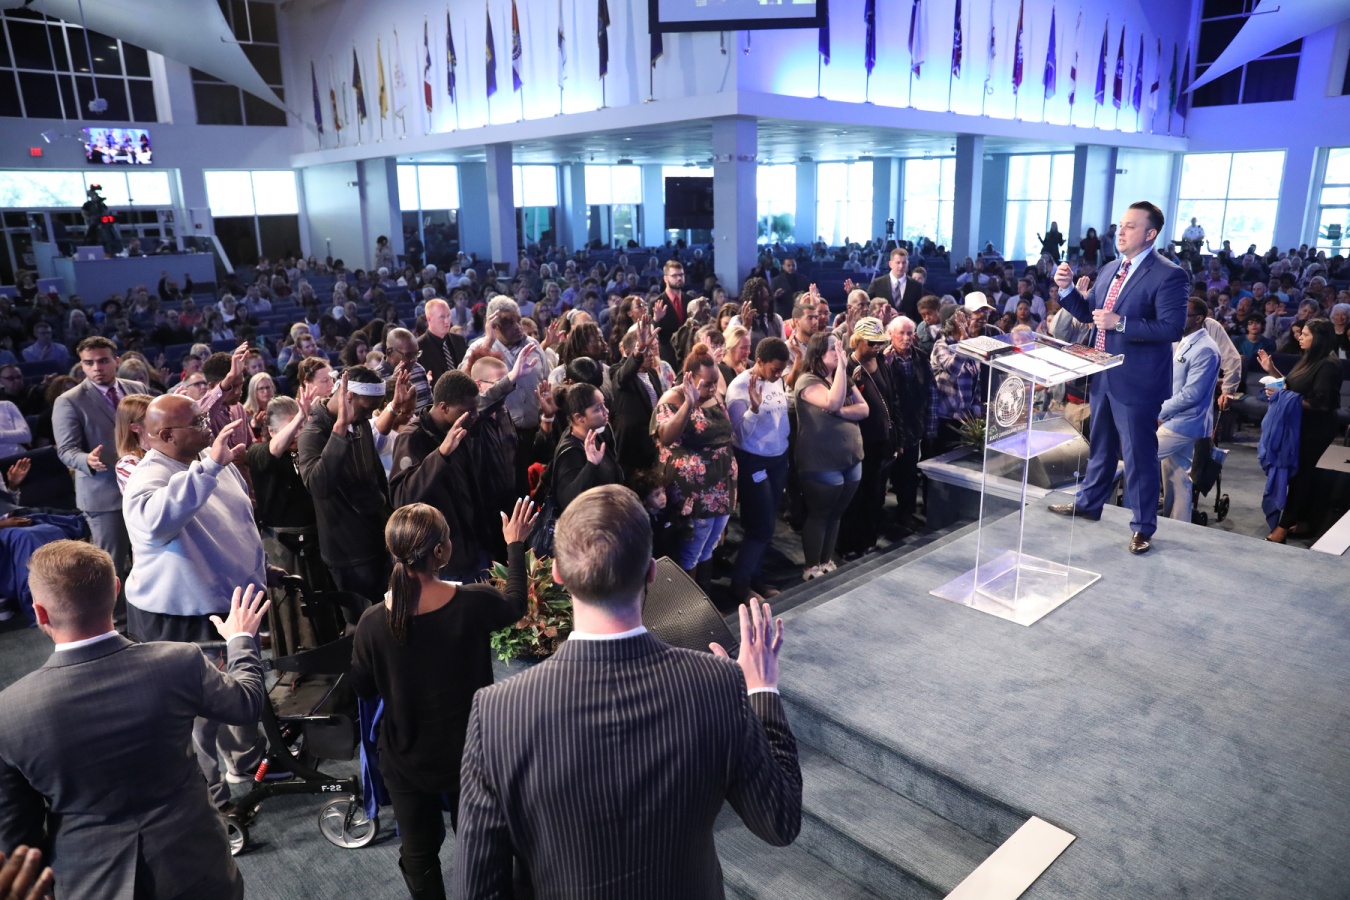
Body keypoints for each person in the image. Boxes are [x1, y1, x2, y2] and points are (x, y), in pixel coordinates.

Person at [453, 485, 802, 899]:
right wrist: (761, 689)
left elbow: (476, 890)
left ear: (558, 574)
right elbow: (779, 823)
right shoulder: (719, 682)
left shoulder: (496, 712)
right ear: (652, 571)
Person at [0, 542, 268, 900]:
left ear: (39, 613)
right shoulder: (179, 662)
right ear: (116, 591)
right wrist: (240, 640)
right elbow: (247, 704)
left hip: (89, 883)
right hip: (199, 865)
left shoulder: (9, 712)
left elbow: (16, 837)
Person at [352, 501, 533, 900]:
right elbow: (516, 604)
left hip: (406, 758)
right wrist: (515, 544)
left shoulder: (372, 622)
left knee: (419, 854)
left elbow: (363, 688)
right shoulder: (475, 602)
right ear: (440, 552)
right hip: (470, 757)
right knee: (482, 850)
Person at [122, 396, 271, 802]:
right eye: (197, 422)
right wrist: (210, 467)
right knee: (201, 716)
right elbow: (155, 523)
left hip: (232, 602)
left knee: (244, 689)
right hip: (183, 617)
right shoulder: (146, 477)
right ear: (167, 435)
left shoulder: (210, 460)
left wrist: (262, 568)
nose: (207, 426)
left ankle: (244, 764)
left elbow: (240, 523)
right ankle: (211, 798)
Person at [1050, 201, 1188, 554]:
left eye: (1130, 226)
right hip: (1103, 375)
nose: (1121, 232)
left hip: (1138, 382)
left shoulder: (1168, 274)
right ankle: (1089, 504)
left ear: (1150, 234)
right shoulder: (1111, 267)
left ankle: (1143, 526)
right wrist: (1066, 290)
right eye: (1121, 225)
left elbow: (1171, 328)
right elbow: (1091, 314)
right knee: (1100, 446)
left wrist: (1121, 323)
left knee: (1138, 456)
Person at [298, 367, 407, 615]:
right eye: (366, 408)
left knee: (392, 614)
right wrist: (340, 429)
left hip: (377, 538)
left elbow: (376, 476)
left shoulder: (360, 423)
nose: (369, 415)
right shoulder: (313, 433)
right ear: (348, 396)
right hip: (348, 551)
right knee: (363, 621)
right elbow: (318, 486)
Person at [52, 337, 148, 601]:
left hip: (144, 487)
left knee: (148, 557)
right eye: (89, 362)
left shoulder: (137, 388)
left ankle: (146, 615)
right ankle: (112, 619)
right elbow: (66, 450)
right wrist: (87, 460)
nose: (97, 367)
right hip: (103, 494)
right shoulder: (69, 401)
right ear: (81, 365)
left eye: (103, 360)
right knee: (111, 565)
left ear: (116, 361)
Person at [654, 347, 738, 587]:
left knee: (709, 547)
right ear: (689, 377)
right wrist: (689, 403)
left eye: (714, 382)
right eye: (707, 383)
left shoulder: (714, 396)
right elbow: (666, 437)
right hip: (694, 492)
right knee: (691, 551)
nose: (712, 388)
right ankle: (687, 604)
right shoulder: (672, 400)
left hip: (721, 487)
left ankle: (705, 599)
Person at [1259, 319, 1344, 543]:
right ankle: (1300, 521)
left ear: (1319, 338)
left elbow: (1321, 403)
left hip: (1316, 428)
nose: (1300, 337)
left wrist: (1281, 396)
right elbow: (1291, 386)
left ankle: (1283, 528)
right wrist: (1272, 372)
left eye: (1305, 334)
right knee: (1298, 474)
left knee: (1300, 475)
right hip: (1297, 425)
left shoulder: (1329, 364)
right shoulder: (1309, 358)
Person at [793, 332, 868, 580]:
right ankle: (811, 566)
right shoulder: (807, 380)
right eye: (833, 349)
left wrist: (841, 412)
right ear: (818, 354)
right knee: (820, 514)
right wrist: (842, 371)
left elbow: (863, 409)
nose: (839, 353)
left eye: (839, 348)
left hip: (850, 459)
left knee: (836, 514)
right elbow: (832, 402)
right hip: (821, 462)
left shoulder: (841, 377)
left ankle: (826, 561)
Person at [726, 337, 791, 604]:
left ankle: (756, 578)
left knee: (767, 524)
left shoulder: (777, 378)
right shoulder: (739, 388)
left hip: (778, 458)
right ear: (760, 361)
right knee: (760, 527)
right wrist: (753, 409)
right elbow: (738, 435)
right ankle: (740, 585)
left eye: (782, 370)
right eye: (774, 369)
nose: (779, 375)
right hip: (754, 461)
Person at [837, 318, 899, 558]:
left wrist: (898, 439)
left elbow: (892, 401)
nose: (876, 347)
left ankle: (868, 540)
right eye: (871, 343)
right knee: (855, 495)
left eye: (879, 343)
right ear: (857, 341)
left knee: (875, 494)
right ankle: (848, 544)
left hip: (881, 441)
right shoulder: (846, 367)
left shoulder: (882, 362)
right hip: (858, 442)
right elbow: (840, 406)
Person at [1156, 299, 1222, 521]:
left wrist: (1158, 412)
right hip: (1176, 418)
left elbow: (1192, 394)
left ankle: (1129, 513)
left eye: (1184, 314)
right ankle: (1178, 525)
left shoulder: (1206, 349)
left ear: (1199, 318)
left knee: (1139, 457)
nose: (1177, 317)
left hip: (1185, 422)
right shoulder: (1183, 341)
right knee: (1177, 477)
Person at [548, 382, 622, 512]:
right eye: (598, 409)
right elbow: (568, 501)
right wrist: (591, 466)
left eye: (604, 404)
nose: (606, 411)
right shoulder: (571, 452)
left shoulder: (596, 434)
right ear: (579, 417)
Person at [418, 297, 469, 386]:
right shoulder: (419, 347)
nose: (447, 321)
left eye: (448, 316)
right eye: (442, 317)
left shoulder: (459, 340)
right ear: (429, 319)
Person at [867, 247, 922, 321]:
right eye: (898, 263)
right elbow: (867, 304)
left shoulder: (916, 286)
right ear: (890, 264)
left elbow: (919, 312)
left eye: (904, 263)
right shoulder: (877, 283)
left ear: (907, 264)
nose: (901, 266)